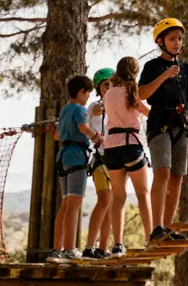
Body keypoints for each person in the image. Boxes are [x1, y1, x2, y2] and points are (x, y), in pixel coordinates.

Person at [139, 18, 188, 243]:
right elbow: (142, 94)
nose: (177, 43)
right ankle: (156, 227)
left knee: (177, 176)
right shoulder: (152, 67)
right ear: (160, 42)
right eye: (172, 39)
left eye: (179, 39)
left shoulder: (184, 67)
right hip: (160, 123)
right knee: (163, 172)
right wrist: (164, 76)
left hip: (180, 125)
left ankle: (167, 227)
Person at [48, 74, 102, 263]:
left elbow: (57, 135)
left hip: (63, 157)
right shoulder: (79, 110)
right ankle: (70, 249)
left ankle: (57, 249)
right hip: (76, 157)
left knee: (65, 205)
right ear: (81, 92)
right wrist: (97, 137)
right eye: (88, 93)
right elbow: (83, 128)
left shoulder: (65, 110)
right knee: (74, 205)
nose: (88, 97)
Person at [103, 56, 152, 256]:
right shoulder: (133, 92)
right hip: (131, 144)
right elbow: (149, 113)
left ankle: (117, 244)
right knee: (143, 193)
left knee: (118, 197)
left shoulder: (108, 94)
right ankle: (150, 237)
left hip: (111, 147)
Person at [82, 67, 114, 259]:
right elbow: (82, 125)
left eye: (111, 83)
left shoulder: (119, 104)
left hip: (118, 160)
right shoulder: (94, 106)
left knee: (111, 205)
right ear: (98, 88)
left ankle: (103, 248)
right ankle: (89, 247)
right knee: (104, 201)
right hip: (100, 159)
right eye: (105, 84)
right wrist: (92, 114)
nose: (109, 87)